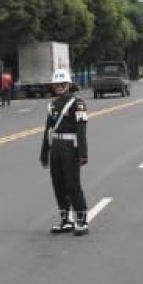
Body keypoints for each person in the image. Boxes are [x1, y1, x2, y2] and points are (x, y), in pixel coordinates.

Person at [40, 68, 89, 236]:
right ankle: (65, 219)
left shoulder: (78, 103)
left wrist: (83, 153)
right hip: (56, 147)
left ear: (68, 85)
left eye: (62, 84)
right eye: (56, 85)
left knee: (72, 184)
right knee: (58, 184)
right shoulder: (52, 105)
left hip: (71, 146)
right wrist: (44, 152)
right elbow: (48, 130)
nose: (59, 87)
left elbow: (81, 129)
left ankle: (81, 220)